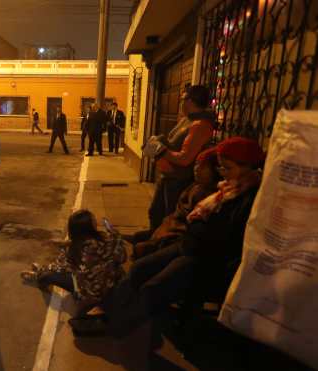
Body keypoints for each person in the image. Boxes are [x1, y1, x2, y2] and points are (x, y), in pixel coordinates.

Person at [69, 137, 265, 338]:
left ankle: (115, 324)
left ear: (247, 167)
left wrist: (197, 226)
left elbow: (224, 236)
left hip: (204, 259)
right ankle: (106, 308)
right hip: (188, 245)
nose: (222, 173)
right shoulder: (226, 188)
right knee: (139, 268)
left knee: (153, 288)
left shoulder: (249, 198)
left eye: (227, 168)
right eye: (221, 168)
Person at [20, 210, 127, 316]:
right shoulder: (106, 240)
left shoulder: (75, 250)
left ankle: (40, 275)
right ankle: (41, 273)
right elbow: (122, 257)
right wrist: (115, 234)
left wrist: (46, 269)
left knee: (52, 275)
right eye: (93, 220)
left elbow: (61, 267)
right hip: (110, 288)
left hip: (88, 295)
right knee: (73, 271)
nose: (96, 222)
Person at [144, 85, 216, 231]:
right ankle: (153, 241)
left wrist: (161, 150)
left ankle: (159, 245)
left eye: (183, 99)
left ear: (191, 101)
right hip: (168, 175)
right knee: (155, 213)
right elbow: (173, 143)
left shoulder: (200, 125)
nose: (181, 102)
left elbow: (185, 158)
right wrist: (158, 142)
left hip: (178, 180)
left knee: (169, 218)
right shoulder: (187, 119)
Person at [131, 148, 220, 259]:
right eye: (196, 165)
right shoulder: (195, 186)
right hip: (171, 231)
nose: (196, 169)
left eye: (202, 166)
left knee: (138, 257)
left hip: (178, 240)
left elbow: (185, 226)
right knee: (137, 239)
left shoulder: (206, 195)